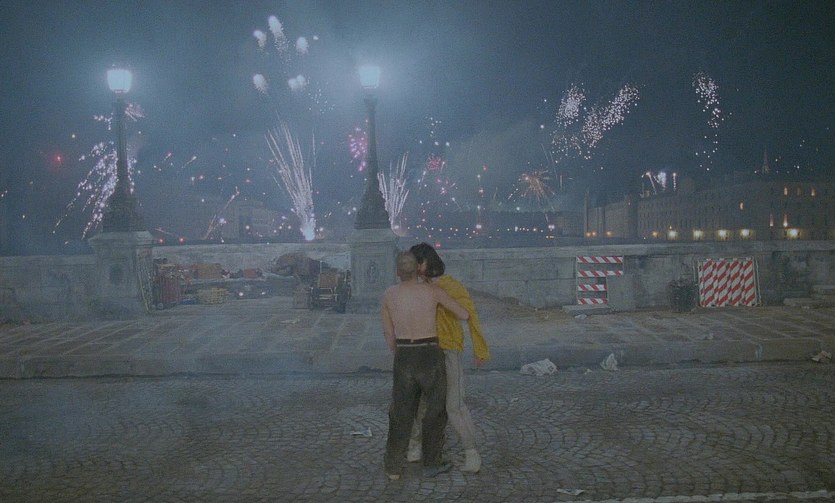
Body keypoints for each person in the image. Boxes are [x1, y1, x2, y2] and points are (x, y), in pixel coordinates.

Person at [381, 251, 470, 481]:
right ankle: (431, 462)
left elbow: (388, 334)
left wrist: (398, 352)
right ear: (417, 270)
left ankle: (393, 468)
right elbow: (463, 313)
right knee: (435, 410)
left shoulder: (389, 294)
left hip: (405, 353)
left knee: (400, 412)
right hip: (430, 353)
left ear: (397, 272)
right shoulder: (432, 291)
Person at [408, 242, 490, 473]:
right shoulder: (416, 288)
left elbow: (467, 314)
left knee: (454, 406)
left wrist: (480, 348)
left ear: (426, 263)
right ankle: (414, 448)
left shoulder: (450, 286)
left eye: (416, 263)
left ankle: (472, 454)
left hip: (448, 350)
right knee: (421, 404)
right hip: (424, 351)